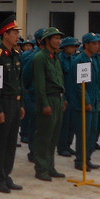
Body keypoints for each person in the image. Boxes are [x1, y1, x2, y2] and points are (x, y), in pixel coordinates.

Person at [0, 15, 25, 194]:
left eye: (17, 33)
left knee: (11, 142)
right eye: (14, 32)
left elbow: (18, 81)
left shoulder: (16, 55)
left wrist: (21, 104)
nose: (17, 36)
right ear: (5, 34)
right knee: (0, 142)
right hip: (3, 104)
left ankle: (6, 174)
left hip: (15, 104)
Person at [31, 27, 66, 181]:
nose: (59, 41)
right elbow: (40, 84)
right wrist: (44, 104)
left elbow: (60, 79)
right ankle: (41, 168)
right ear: (47, 40)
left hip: (58, 99)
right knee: (44, 136)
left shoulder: (56, 57)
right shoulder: (40, 57)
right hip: (48, 99)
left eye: (60, 38)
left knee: (54, 136)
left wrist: (63, 98)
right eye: (56, 38)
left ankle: (50, 166)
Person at [69, 33, 100, 171]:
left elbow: (96, 83)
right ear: (87, 44)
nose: (97, 46)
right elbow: (79, 85)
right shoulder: (80, 60)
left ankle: (87, 158)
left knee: (92, 133)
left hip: (94, 101)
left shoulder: (92, 60)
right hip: (83, 104)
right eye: (94, 44)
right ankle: (80, 161)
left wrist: (99, 99)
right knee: (83, 133)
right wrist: (86, 101)